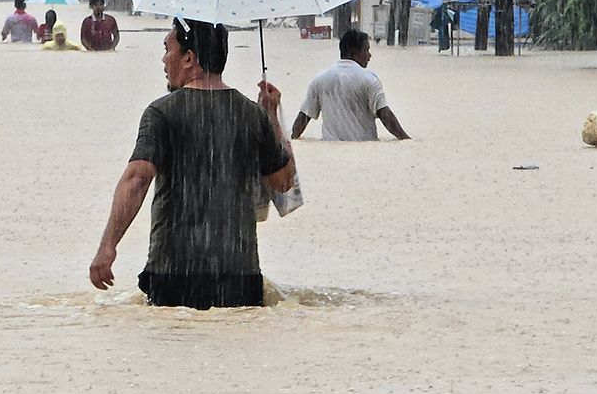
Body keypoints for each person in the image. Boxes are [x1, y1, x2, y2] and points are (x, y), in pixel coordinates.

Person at [89, 18, 295, 310]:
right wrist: (271, 115)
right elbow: (283, 182)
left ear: (189, 58)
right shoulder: (252, 114)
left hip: (174, 274)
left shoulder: (161, 112)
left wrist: (107, 246)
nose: (163, 59)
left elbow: (137, 178)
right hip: (240, 276)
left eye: (167, 49)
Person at [290, 29, 410, 141]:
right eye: (366, 50)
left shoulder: (319, 80)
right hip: (364, 150)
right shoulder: (369, 79)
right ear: (354, 53)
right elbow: (385, 116)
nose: (370, 56)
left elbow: (303, 119)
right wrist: (407, 140)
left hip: (330, 150)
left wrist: (291, 141)